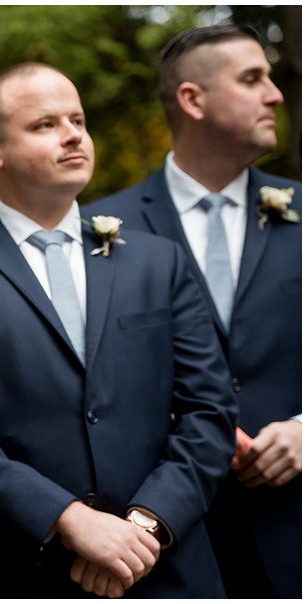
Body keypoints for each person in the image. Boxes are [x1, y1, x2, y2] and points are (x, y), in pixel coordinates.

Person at [0, 63, 238, 597]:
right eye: (45, 124)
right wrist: (69, 519)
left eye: (78, 119)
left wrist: (143, 529)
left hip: (169, 569)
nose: (74, 134)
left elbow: (209, 411)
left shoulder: (158, 261)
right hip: (15, 572)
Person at [87, 25, 301, 598]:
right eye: (253, 79)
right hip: (165, 539)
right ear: (192, 99)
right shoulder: (100, 231)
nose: (276, 94)